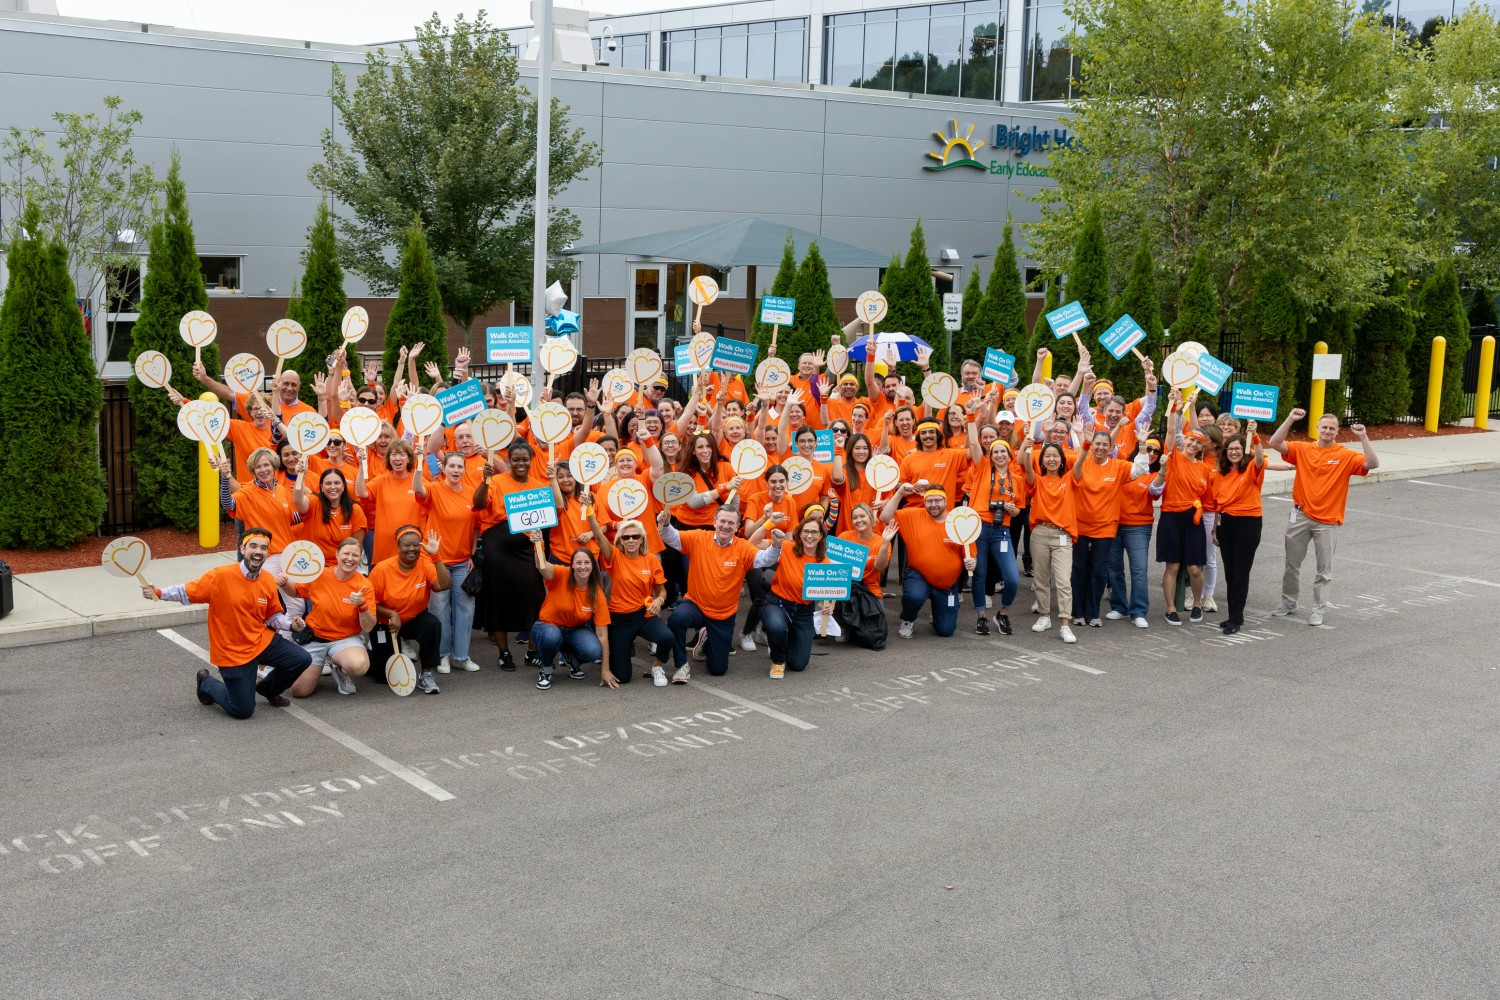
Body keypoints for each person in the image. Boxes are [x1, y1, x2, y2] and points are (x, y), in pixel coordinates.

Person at [144, 528, 311, 719]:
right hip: (231, 651)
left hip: (260, 641)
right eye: (253, 546)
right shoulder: (219, 576)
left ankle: (268, 689)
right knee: (243, 710)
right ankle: (205, 683)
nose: (258, 551)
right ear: (243, 548)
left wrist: (291, 625)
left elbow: (271, 616)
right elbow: (185, 592)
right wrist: (157, 592)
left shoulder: (266, 580)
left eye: (264, 548)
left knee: (301, 659)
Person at [1267, 409, 1379, 626]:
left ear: (1337, 432)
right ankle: (1289, 603)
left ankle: (1318, 609)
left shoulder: (1345, 455)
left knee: (1323, 570)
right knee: (1292, 564)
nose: (1327, 431)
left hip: (1327, 520)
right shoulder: (1303, 449)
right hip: (1299, 515)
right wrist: (1290, 418)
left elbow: (1372, 464)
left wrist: (1363, 436)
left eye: (1332, 428)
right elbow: (1274, 442)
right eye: (1324, 427)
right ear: (1317, 428)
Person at [660, 506, 781, 680]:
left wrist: (776, 545)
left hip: (723, 614)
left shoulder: (743, 547)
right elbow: (672, 537)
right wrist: (665, 524)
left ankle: (706, 639)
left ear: (737, 525)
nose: (726, 526)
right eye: (722, 521)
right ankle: (681, 665)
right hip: (696, 605)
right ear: (714, 522)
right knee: (676, 619)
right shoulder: (699, 537)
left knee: (718, 669)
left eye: (731, 523)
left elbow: (764, 559)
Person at [472, 439, 547, 670]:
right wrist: (485, 480)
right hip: (498, 549)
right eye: (516, 460)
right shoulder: (495, 481)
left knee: (535, 597)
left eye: (525, 459)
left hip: (528, 548)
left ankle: (532, 651)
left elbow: (547, 516)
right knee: (499, 598)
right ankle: (504, 653)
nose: (521, 463)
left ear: (531, 461)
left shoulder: (538, 486)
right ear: (509, 461)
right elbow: (479, 502)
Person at [879, 483, 975, 639]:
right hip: (919, 575)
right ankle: (908, 619)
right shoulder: (913, 515)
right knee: (914, 596)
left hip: (947, 584)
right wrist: (900, 493)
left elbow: (970, 554)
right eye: (929, 501)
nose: (934, 505)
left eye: (938, 500)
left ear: (945, 501)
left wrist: (972, 562)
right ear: (924, 502)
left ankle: (937, 610)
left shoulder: (958, 521)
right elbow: (885, 517)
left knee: (946, 630)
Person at [591, 514, 674, 687]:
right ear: (620, 541)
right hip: (618, 620)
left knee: (666, 637)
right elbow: (598, 535)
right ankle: (622, 648)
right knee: (623, 676)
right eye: (626, 537)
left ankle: (657, 666)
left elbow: (662, 590)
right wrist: (590, 511)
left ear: (641, 539)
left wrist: (659, 600)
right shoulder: (613, 556)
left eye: (635, 536)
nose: (631, 540)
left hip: (642, 615)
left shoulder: (650, 559)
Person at [288, 537, 376, 696]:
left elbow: (368, 626)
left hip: (344, 639)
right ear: (337, 554)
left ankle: (340, 669)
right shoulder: (320, 574)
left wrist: (362, 605)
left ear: (360, 559)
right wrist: (283, 583)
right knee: (299, 692)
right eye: (346, 553)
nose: (350, 559)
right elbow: (295, 591)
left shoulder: (364, 585)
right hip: (315, 638)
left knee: (359, 666)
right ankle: (319, 662)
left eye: (355, 555)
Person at [368, 526, 452, 694]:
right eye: (407, 545)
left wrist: (436, 556)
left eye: (415, 544)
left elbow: (444, 585)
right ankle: (368, 655)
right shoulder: (382, 569)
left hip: (414, 617)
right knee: (384, 677)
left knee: (432, 624)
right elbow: (369, 603)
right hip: (387, 622)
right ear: (398, 547)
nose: (412, 549)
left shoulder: (425, 563)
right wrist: (391, 614)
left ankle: (426, 673)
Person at [423, 451, 482, 673]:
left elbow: (476, 526)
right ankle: (442, 655)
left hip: (462, 562)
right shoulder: (434, 488)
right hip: (437, 561)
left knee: (466, 608)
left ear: (465, 470)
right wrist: (420, 463)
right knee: (438, 608)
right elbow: (418, 490)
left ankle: (462, 656)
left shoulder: (471, 493)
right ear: (444, 468)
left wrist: (473, 554)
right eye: (452, 466)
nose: (456, 470)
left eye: (460, 467)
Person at [528, 535, 612, 690]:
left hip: (574, 630)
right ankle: (546, 669)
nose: (583, 566)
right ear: (572, 565)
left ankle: (570, 658)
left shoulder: (597, 593)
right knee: (551, 636)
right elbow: (542, 566)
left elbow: (602, 634)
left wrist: (605, 669)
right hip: (547, 627)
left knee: (593, 650)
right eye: (578, 562)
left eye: (587, 562)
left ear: (593, 566)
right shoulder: (561, 574)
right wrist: (538, 544)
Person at [1020, 437, 1082, 643]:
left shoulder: (1069, 479)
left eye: (1055, 456)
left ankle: (1065, 624)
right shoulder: (1037, 480)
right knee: (1041, 579)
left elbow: (1081, 462)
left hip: (1062, 535)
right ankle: (1045, 616)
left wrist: (1087, 445)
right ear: (1043, 461)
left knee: (1064, 581)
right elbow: (1027, 468)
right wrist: (1028, 449)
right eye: (1048, 456)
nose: (1052, 459)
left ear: (1062, 460)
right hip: (1040, 533)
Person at [1157, 393, 1212, 625]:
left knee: (1195, 568)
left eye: (1198, 442)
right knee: (1173, 565)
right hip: (1170, 515)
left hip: (1194, 518)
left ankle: (1197, 603)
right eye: (1191, 440)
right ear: (1185, 440)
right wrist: (1177, 407)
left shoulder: (1204, 469)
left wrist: (1215, 526)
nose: (1193, 444)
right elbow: (1171, 431)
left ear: (1202, 448)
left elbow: (1209, 500)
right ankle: (1170, 609)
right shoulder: (1174, 458)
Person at [1071, 428, 1131, 627]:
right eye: (1097, 443)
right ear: (1092, 444)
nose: (1101, 448)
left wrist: (1140, 445)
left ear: (1111, 447)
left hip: (1105, 528)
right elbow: (1074, 469)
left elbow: (1139, 470)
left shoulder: (1118, 466)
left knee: (1098, 571)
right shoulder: (1081, 461)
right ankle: (1077, 612)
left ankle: (1093, 612)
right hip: (1080, 526)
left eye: (1105, 444)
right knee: (1079, 569)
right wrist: (1083, 443)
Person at [1106, 440, 1167, 628]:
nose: (1152, 453)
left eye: (1156, 451)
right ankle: (1119, 606)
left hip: (1138, 527)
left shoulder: (1155, 474)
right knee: (1114, 569)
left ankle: (1139, 611)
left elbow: (1154, 490)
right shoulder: (1125, 466)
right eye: (1148, 448)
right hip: (1114, 524)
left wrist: (1164, 470)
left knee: (1139, 570)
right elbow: (1109, 450)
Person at [760, 514, 829, 678]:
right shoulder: (786, 547)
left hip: (803, 612)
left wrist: (825, 606)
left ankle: (781, 640)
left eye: (814, 532)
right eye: (805, 531)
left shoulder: (824, 562)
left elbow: (825, 593)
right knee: (776, 627)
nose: (809, 536)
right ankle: (777, 660)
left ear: (821, 536)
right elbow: (754, 542)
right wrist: (769, 523)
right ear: (799, 533)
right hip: (777, 603)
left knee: (798, 665)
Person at [1213, 423, 1266, 635]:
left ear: (1243, 451)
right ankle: (1235, 614)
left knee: (1241, 573)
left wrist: (1255, 438)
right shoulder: (1221, 473)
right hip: (1226, 523)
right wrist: (1215, 529)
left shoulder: (1252, 467)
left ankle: (1236, 619)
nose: (1233, 452)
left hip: (1248, 523)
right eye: (1230, 449)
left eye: (1237, 448)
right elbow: (1218, 503)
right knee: (1230, 573)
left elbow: (1260, 459)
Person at [968, 438, 1024, 636]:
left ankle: (1003, 613)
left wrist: (1012, 509)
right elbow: (975, 445)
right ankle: (981, 617)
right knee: (980, 574)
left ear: (1010, 456)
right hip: (980, 528)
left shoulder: (1016, 478)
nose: (1000, 455)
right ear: (990, 456)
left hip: (1002, 530)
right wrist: (973, 416)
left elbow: (1019, 510)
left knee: (1012, 577)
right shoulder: (982, 468)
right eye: (995, 452)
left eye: (1003, 452)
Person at [833, 503, 897, 649]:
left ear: (871, 518)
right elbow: (834, 565)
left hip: (870, 588)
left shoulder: (881, 541)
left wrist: (886, 543)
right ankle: (843, 626)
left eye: (862, 516)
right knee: (834, 594)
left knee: (873, 632)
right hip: (846, 586)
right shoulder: (844, 537)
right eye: (854, 517)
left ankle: (857, 626)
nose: (858, 520)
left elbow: (880, 567)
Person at [293, 468, 367, 562]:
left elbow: (356, 547)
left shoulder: (355, 509)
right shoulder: (314, 502)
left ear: (343, 486)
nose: (332, 487)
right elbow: (298, 501)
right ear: (322, 487)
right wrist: (300, 476)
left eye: (337, 483)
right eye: (328, 483)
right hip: (311, 564)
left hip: (341, 566)